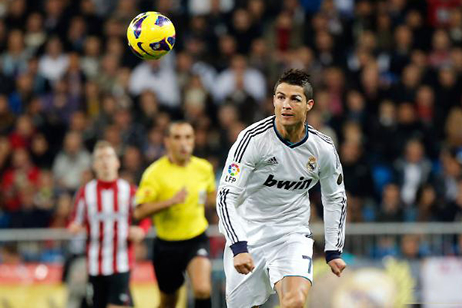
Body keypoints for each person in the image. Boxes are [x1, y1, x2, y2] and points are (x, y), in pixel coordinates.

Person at [217, 69, 347, 308]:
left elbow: (335, 198)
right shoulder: (252, 140)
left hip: (291, 234)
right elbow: (226, 195)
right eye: (280, 97)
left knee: (294, 301)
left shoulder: (323, 149)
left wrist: (333, 249)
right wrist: (238, 245)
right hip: (248, 234)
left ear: (309, 105)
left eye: (294, 99)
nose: (285, 105)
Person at [134, 121, 216, 308]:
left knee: (202, 288)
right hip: (167, 245)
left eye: (188, 137)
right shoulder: (154, 173)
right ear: (167, 142)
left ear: (194, 140)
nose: (183, 143)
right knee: (169, 301)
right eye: (177, 137)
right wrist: (169, 202)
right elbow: (139, 211)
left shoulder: (203, 168)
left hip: (196, 238)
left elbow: (212, 195)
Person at [68, 141, 147, 308]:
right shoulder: (85, 193)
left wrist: (141, 230)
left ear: (117, 162)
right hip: (95, 266)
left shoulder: (130, 191)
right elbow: (75, 220)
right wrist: (74, 227)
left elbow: (145, 215)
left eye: (109, 157)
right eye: (100, 158)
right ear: (94, 165)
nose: (105, 162)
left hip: (121, 262)